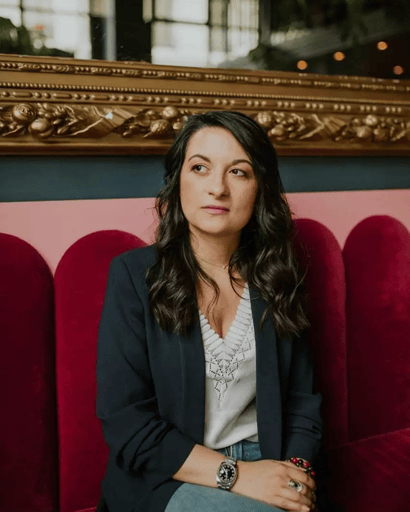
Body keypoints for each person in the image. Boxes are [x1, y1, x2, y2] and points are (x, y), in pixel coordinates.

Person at [96, 111, 323, 512]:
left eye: (238, 172)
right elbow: (127, 423)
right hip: (169, 475)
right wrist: (238, 475)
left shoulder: (279, 274)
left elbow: (303, 401)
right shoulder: (133, 277)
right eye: (200, 168)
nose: (217, 188)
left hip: (266, 463)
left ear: (260, 189)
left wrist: (294, 475)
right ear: (177, 181)